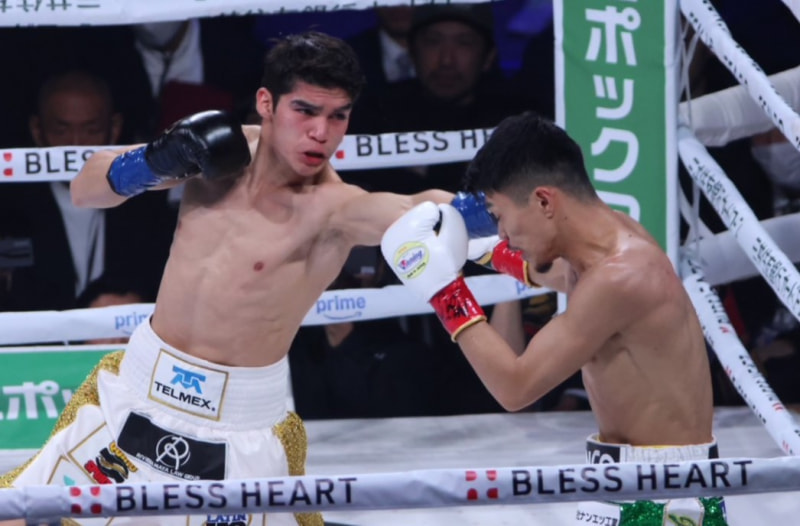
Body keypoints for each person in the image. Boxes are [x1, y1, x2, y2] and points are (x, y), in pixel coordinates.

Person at [0, 31, 461, 526]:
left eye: (338, 116)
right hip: (134, 396)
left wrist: (474, 217)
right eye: (305, 111)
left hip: (237, 431)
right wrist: (153, 161)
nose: (321, 133)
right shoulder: (214, 153)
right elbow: (86, 188)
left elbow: (417, 208)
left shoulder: (335, 209)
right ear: (266, 102)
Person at [380, 112, 726, 524]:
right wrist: (482, 250)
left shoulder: (621, 276)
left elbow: (516, 387)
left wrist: (445, 292)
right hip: (618, 478)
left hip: (664, 497)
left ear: (544, 201)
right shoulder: (606, 244)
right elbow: (556, 273)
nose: (502, 233)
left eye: (500, 216)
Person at [0, 69, 173, 311]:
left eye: (91, 130)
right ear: (37, 130)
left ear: (114, 128)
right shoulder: (9, 208)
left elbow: (160, 279)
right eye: (61, 130)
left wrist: (128, 300)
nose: (76, 143)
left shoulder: (147, 201)